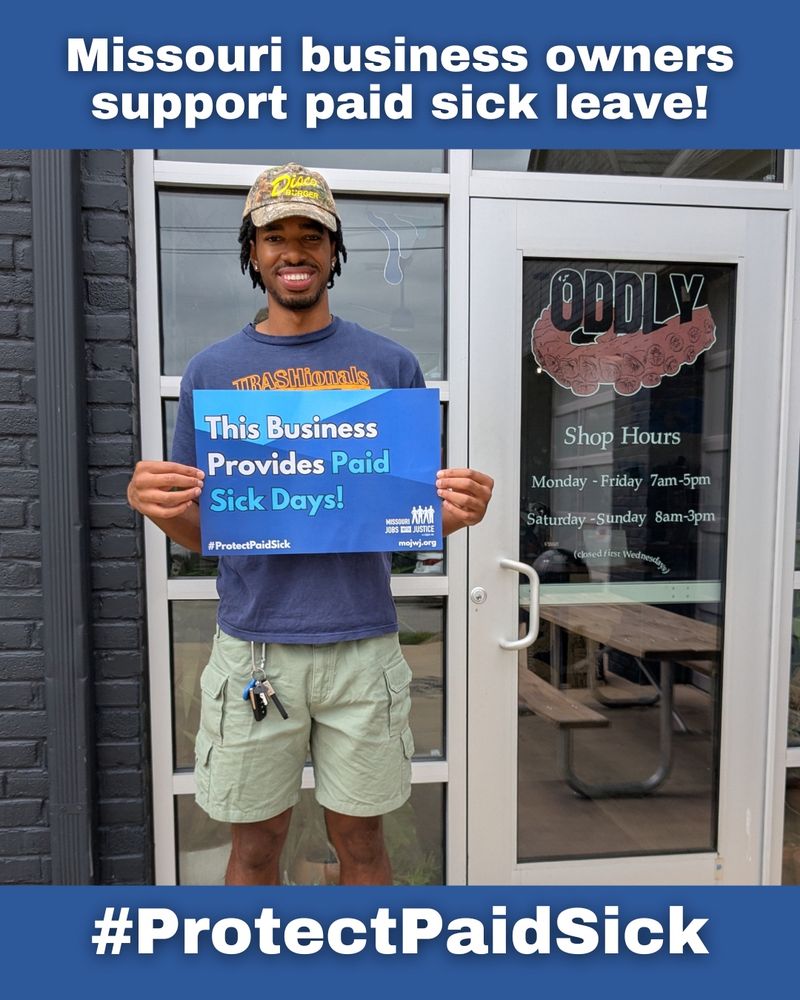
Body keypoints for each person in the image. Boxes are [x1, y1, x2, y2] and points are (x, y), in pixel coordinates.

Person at [127, 162, 494, 885]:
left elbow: (391, 516)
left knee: (360, 847)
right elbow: (213, 532)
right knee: (256, 848)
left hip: (363, 645)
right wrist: (162, 513)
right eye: (275, 236)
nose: (294, 251)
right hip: (254, 648)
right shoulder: (213, 370)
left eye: (311, 236)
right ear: (252, 251)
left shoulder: (390, 363)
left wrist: (450, 516)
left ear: (334, 252)